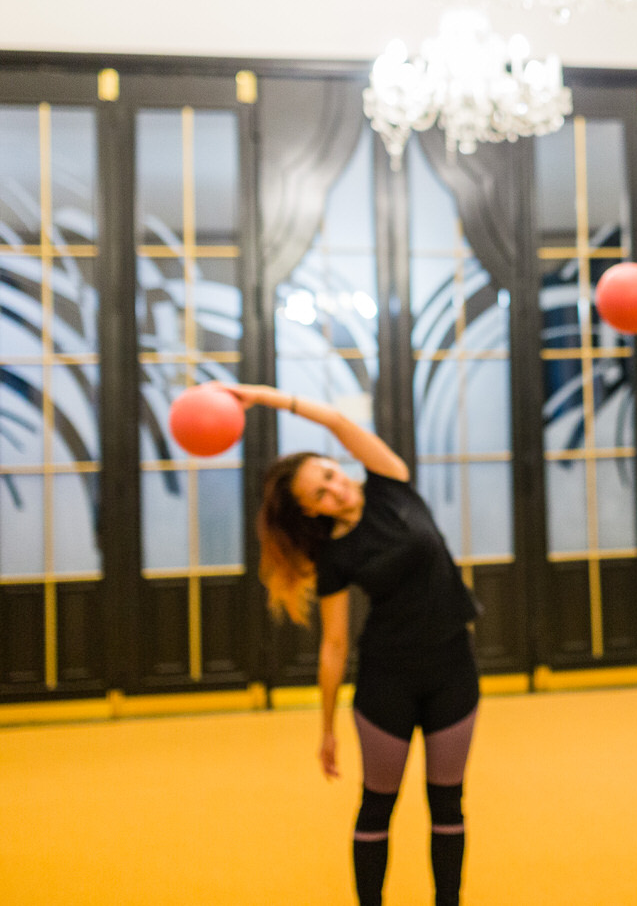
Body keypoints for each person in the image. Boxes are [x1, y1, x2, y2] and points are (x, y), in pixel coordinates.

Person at [227, 383, 480, 906]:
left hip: (453, 668)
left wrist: (263, 396)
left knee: (448, 803)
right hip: (387, 682)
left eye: (329, 474)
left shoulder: (390, 482)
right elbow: (334, 645)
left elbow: (339, 424)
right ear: (309, 511)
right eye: (320, 494)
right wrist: (326, 728)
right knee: (377, 805)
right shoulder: (335, 557)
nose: (335, 489)